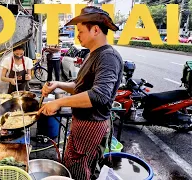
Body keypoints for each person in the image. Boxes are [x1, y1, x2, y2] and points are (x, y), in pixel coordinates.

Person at [37, 6, 123, 180]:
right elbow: (79, 85)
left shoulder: (108, 57)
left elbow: (99, 95)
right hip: (82, 123)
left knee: (80, 170)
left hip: (92, 124)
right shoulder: (93, 55)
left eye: (81, 31)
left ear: (96, 30)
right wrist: (58, 85)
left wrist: (59, 102)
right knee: (73, 164)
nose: (77, 35)